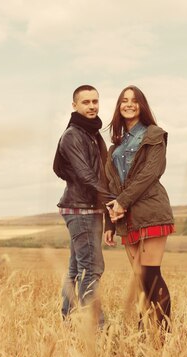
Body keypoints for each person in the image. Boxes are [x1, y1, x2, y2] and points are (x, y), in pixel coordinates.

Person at [103, 85, 174, 332]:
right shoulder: (116, 146)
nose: (129, 104)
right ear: (119, 107)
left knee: (150, 275)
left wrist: (123, 202)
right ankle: (145, 334)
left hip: (150, 210)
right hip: (126, 217)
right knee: (139, 279)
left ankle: (163, 334)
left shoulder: (154, 134)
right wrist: (110, 222)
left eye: (134, 100)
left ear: (141, 105)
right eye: (124, 100)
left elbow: (150, 173)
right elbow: (110, 185)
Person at [53, 84, 112, 327]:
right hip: (82, 209)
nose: (92, 106)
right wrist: (113, 200)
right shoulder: (73, 135)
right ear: (74, 105)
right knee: (92, 269)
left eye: (95, 101)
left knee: (78, 268)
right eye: (86, 102)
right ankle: (96, 329)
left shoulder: (91, 133)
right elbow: (86, 175)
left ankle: (67, 322)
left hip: (87, 207)